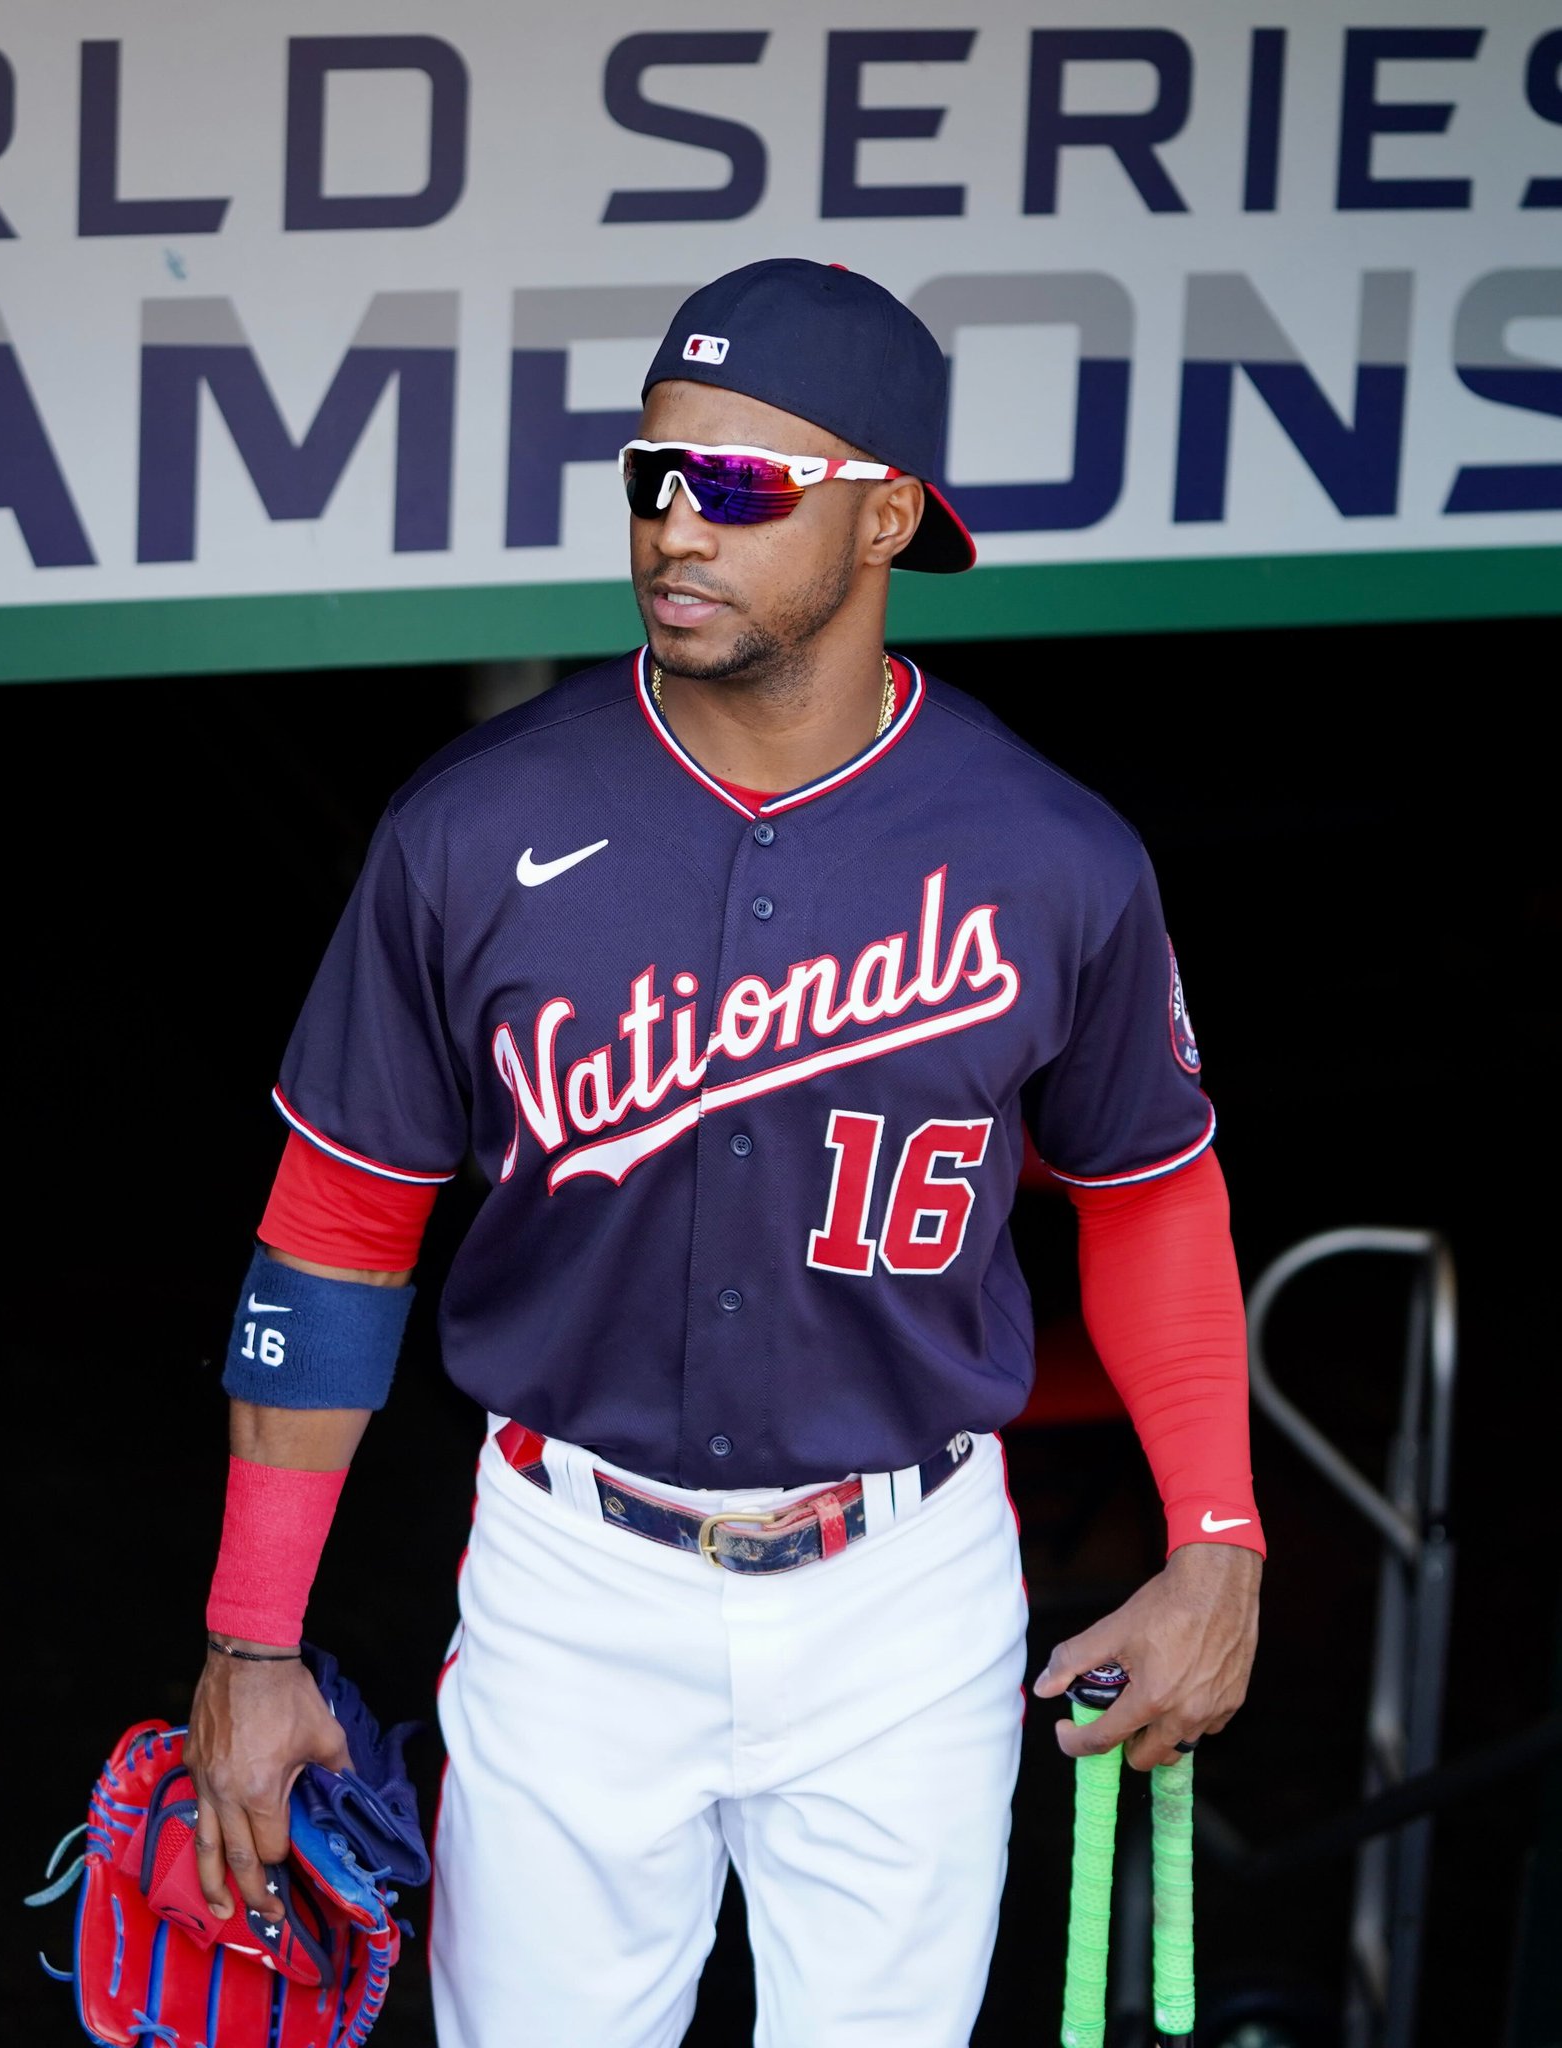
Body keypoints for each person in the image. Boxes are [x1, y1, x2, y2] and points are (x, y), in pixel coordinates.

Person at [186, 258, 1263, 2048]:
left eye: (743, 486)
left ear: (886, 516)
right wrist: (251, 1634)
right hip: (571, 1576)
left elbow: (1149, 1190)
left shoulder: (1052, 855)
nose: (678, 525)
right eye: (653, 477)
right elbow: (334, 1233)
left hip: (904, 1592)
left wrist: (1214, 1536)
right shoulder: (474, 827)